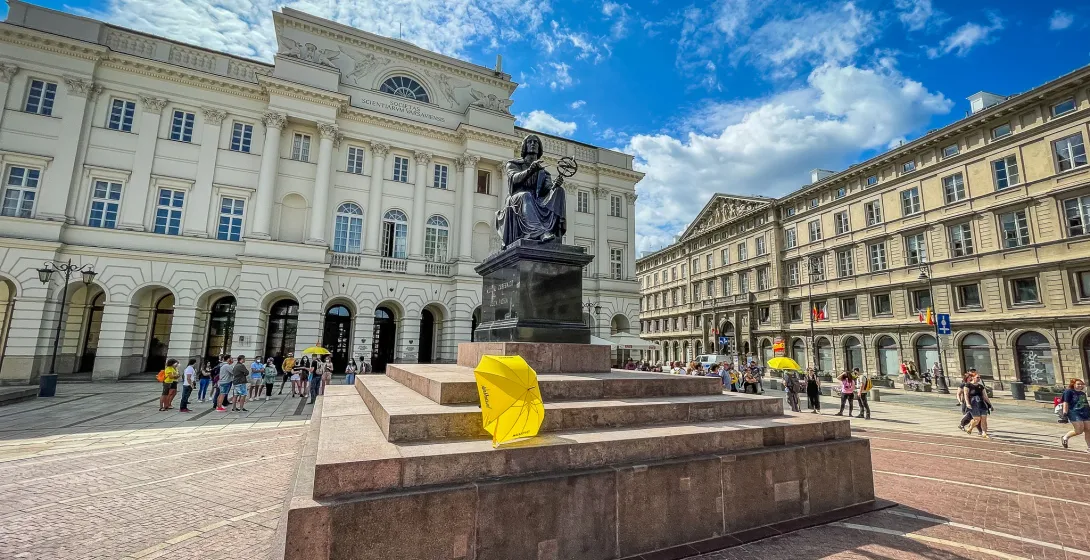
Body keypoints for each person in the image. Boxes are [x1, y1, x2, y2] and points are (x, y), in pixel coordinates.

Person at [1060, 379, 1090, 450]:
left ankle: (1089, 447)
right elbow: (1065, 402)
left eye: (1081, 384)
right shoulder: (1068, 392)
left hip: (1085, 413)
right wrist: (1065, 413)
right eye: (1078, 384)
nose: (1080, 385)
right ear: (1073, 384)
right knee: (1079, 431)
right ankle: (1065, 437)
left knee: (1088, 429)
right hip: (1074, 412)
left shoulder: (1082, 393)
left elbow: (1085, 403)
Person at [963, 372, 993, 438]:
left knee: (984, 419)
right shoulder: (968, 385)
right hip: (973, 404)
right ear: (973, 377)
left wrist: (990, 404)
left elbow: (985, 396)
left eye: (979, 377)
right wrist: (968, 403)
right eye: (977, 377)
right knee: (977, 420)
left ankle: (984, 433)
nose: (979, 379)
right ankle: (970, 427)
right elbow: (966, 395)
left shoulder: (981, 386)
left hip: (982, 404)